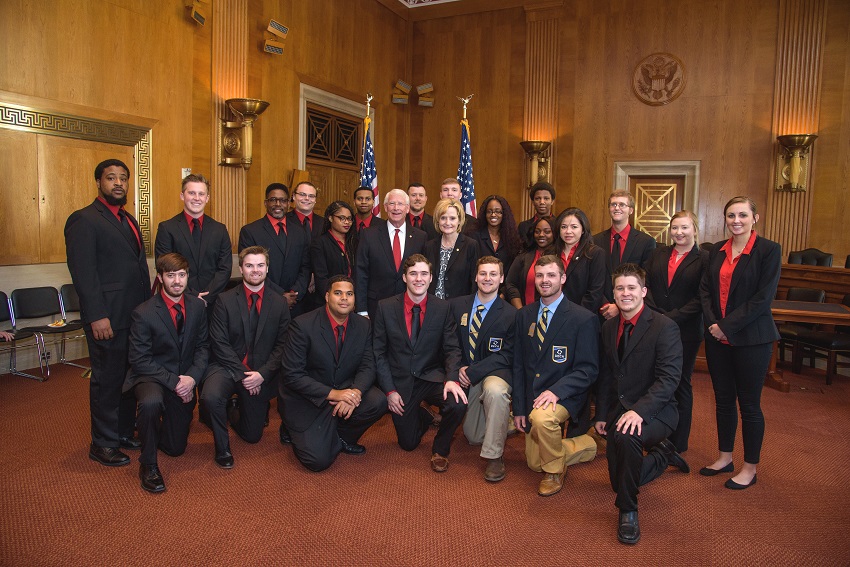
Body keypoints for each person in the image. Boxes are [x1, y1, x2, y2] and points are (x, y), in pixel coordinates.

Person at [65, 158, 151, 467]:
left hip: (134, 316)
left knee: (129, 377)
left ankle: (123, 432)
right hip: (107, 319)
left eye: (123, 178)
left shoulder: (129, 219)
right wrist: (96, 315)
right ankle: (101, 444)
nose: (118, 183)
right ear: (99, 183)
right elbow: (84, 274)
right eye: (111, 178)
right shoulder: (84, 220)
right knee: (107, 380)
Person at [594, 263, 689, 545]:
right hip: (620, 408)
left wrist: (639, 411)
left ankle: (628, 510)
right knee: (617, 478)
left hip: (658, 411)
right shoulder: (609, 327)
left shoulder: (665, 327)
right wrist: (600, 413)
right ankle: (662, 457)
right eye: (620, 288)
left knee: (627, 437)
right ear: (613, 292)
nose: (625, 293)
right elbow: (607, 375)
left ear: (644, 291)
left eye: (631, 288)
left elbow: (669, 380)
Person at [699, 196, 781, 490]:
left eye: (743, 215)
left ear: (754, 218)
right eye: (731, 215)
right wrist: (714, 326)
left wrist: (726, 327)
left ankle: (750, 467)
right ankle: (724, 457)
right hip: (717, 338)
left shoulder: (768, 250)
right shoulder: (716, 252)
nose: (736, 220)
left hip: (752, 339)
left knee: (749, 404)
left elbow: (762, 299)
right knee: (722, 401)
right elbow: (706, 292)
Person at [280, 276, 388, 471]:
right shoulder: (302, 325)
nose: (344, 298)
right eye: (338, 293)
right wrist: (334, 394)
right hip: (309, 400)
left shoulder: (364, 326)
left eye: (349, 294)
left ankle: (340, 436)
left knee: (378, 401)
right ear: (327, 296)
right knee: (318, 461)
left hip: (345, 390)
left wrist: (354, 393)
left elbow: (367, 366)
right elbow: (292, 375)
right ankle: (295, 429)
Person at [512, 255, 599, 496]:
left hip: (566, 395)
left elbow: (588, 370)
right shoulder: (524, 315)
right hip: (533, 396)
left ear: (562, 278)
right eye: (539, 275)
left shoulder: (583, 319)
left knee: (542, 420)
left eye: (551, 275)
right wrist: (519, 408)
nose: (545, 280)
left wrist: (556, 391)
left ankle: (554, 471)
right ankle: (588, 444)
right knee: (533, 463)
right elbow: (518, 365)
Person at [373, 254, 468, 472]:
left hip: (430, 376)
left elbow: (452, 348)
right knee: (408, 444)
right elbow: (378, 353)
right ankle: (424, 414)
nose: (419, 278)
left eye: (424, 273)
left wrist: (451, 379)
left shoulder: (442, 308)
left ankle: (441, 449)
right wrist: (389, 391)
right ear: (405, 277)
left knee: (457, 402)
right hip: (400, 382)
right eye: (413, 273)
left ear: (431, 277)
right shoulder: (386, 307)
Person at [123, 253, 208, 493]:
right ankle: (148, 463)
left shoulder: (197, 307)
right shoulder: (143, 312)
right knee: (150, 403)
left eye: (182, 275)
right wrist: (176, 383)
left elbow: (203, 347)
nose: (177, 281)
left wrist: (192, 378)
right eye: (171, 276)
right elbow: (139, 359)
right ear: (160, 277)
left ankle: (152, 429)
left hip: (184, 376)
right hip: (151, 375)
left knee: (175, 448)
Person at [199, 246, 290, 469]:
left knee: (252, 436)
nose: (255, 270)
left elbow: (283, 345)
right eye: (249, 265)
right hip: (227, 367)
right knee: (210, 397)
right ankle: (222, 448)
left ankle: (232, 409)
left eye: (260, 265)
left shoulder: (279, 302)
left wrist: (262, 374)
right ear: (241, 268)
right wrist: (243, 374)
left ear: (267, 268)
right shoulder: (225, 300)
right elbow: (219, 343)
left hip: (260, 372)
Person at [644, 211, 709, 453]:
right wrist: (656, 312)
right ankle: (655, 434)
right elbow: (645, 284)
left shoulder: (704, 258)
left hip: (686, 330)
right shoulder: (658, 253)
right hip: (654, 326)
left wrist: (670, 317)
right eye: (674, 228)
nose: (679, 233)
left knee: (680, 383)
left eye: (684, 228)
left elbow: (702, 297)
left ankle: (678, 442)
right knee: (654, 380)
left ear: (694, 229)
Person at [449, 257, 516, 482]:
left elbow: (507, 354)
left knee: (496, 392)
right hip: (466, 373)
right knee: (474, 436)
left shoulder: (510, 314)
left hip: (495, 373)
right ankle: (504, 420)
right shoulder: (457, 305)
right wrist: (458, 368)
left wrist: (473, 371)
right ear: (476, 277)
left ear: (501, 278)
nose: (488, 278)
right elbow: (450, 343)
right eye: (483, 273)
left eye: (493, 274)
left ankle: (494, 456)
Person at [154, 173, 232, 314]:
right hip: (178, 302)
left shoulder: (219, 229)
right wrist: (192, 295)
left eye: (201, 194)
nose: (197, 198)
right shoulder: (167, 228)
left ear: (207, 198)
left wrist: (207, 296)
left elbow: (225, 268)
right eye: (191, 193)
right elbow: (163, 266)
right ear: (182, 196)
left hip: (212, 304)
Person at [238, 183, 311, 315]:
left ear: (289, 203)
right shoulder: (250, 231)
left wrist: (294, 293)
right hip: (264, 302)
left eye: (283, 200)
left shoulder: (300, 232)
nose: (278, 204)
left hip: (296, 305)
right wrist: (280, 295)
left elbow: (305, 266)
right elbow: (249, 269)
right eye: (273, 200)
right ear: (266, 203)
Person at [355, 189, 427, 318]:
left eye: (400, 204)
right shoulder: (369, 234)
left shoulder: (420, 237)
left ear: (407, 208)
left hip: (410, 308)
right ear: (385, 207)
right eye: (392, 203)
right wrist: (362, 310)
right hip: (375, 307)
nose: (396, 208)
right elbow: (361, 273)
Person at [593, 190, 657, 321]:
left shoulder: (646, 242)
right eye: (613, 204)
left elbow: (646, 280)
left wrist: (619, 305)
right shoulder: (595, 241)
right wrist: (605, 304)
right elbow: (593, 277)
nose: (617, 208)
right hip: (600, 311)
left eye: (622, 205)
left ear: (631, 210)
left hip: (632, 312)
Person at [424, 198, 480, 300]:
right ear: (438, 220)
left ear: (459, 221)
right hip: (433, 306)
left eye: (452, 218)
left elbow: (474, 281)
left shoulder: (470, 245)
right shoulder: (430, 246)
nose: (447, 222)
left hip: (459, 307)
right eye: (443, 218)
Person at [554, 207, 606, 314]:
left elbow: (595, 292)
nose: (568, 231)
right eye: (564, 227)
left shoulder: (594, 253)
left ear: (583, 230)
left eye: (574, 227)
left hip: (581, 316)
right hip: (552, 313)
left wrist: (577, 316)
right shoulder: (550, 252)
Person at [505, 216, 556, 309]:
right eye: (537, 231)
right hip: (524, 311)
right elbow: (511, 283)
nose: (541, 235)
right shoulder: (524, 256)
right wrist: (521, 311)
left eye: (547, 231)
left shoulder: (560, 256)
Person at [311, 201, 357, 301]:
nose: (347, 222)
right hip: (330, 300)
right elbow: (321, 278)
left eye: (349, 219)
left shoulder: (354, 242)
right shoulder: (320, 243)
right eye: (342, 218)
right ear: (331, 218)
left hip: (352, 299)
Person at [471, 195, 522, 280]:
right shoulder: (474, 237)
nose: (493, 215)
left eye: (498, 212)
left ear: (504, 214)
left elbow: (514, 270)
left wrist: (505, 291)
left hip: (504, 290)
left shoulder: (512, 238)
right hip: (480, 288)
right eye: (489, 211)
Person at [517, 181, 555, 250]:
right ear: (533, 202)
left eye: (546, 198)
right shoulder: (523, 226)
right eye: (538, 198)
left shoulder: (559, 224)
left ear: (552, 201)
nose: (542, 202)